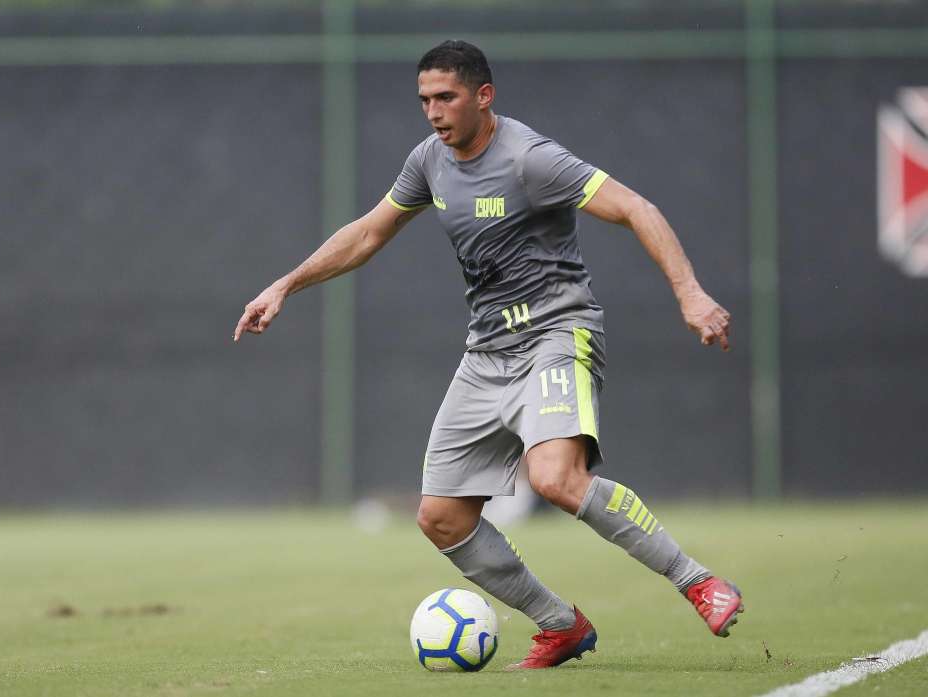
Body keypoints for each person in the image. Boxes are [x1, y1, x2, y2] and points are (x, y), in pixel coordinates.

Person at [234, 40, 741, 669]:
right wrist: (284, 284)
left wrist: (690, 294)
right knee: (441, 517)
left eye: (445, 97)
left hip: (559, 334)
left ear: (483, 96)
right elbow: (368, 231)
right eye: (424, 100)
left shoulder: (531, 159)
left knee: (554, 478)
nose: (434, 112)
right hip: (487, 352)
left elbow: (638, 207)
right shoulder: (429, 161)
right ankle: (561, 625)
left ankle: (698, 582)